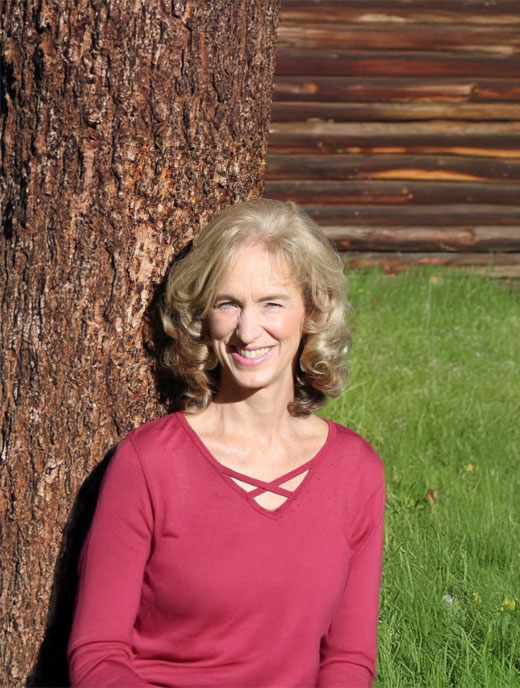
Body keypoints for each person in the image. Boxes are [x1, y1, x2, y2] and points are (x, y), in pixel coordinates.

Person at [67, 198, 385, 687]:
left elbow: (349, 659)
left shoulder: (356, 470)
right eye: (228, 303)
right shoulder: (149, 463)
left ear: (312, 312)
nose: (247, 330)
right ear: (204, 317)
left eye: (272, 303)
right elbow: (98, 653)